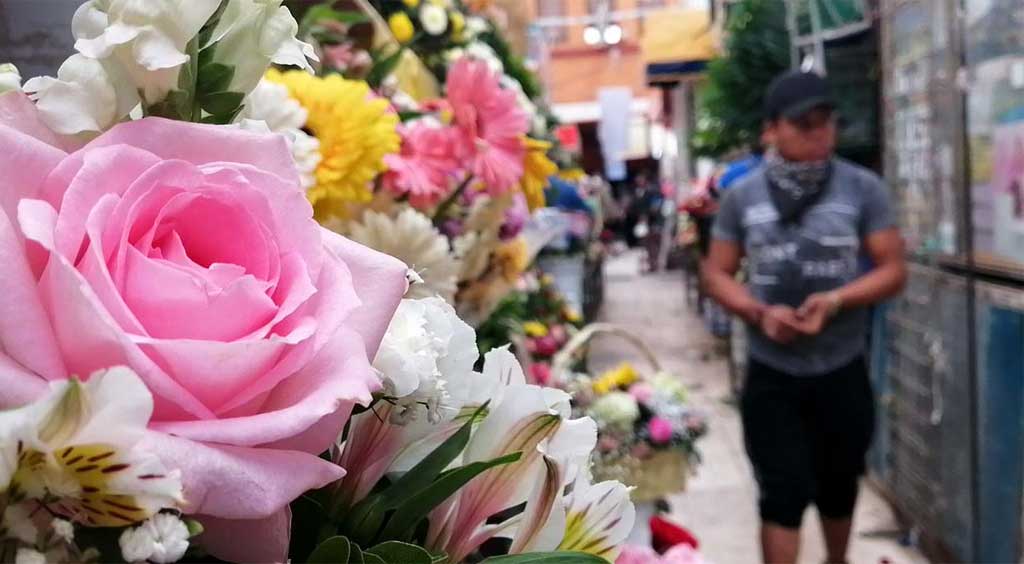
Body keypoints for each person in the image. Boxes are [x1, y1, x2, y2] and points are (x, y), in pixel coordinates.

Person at [702, 70, 907, 564]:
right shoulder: (742, 197)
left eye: (826, 122)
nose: (820, 133)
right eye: (804, 124)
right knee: (781, 492)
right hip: (772, 371)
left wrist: (836, 301)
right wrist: (757, 312)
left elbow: (893, 269)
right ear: (770, 130)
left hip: (842, 365)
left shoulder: (863, 189)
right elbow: (717, 273)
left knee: (839, 484)